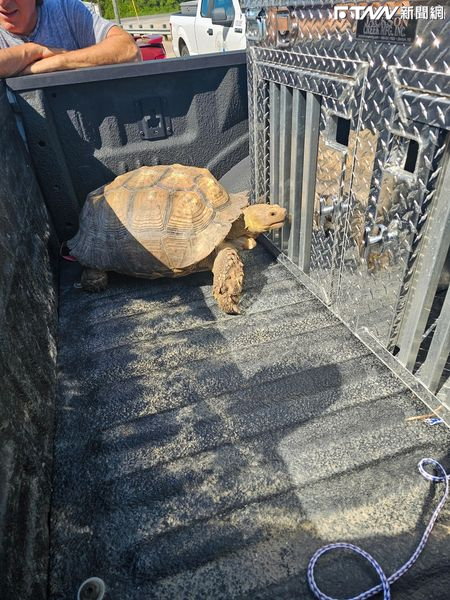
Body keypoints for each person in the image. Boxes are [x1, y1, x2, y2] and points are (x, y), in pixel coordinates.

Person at [0, 0, 140, 78]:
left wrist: (59, 61)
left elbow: (129, 49)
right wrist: (32, 51)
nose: (4, 2)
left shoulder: (66, 9)